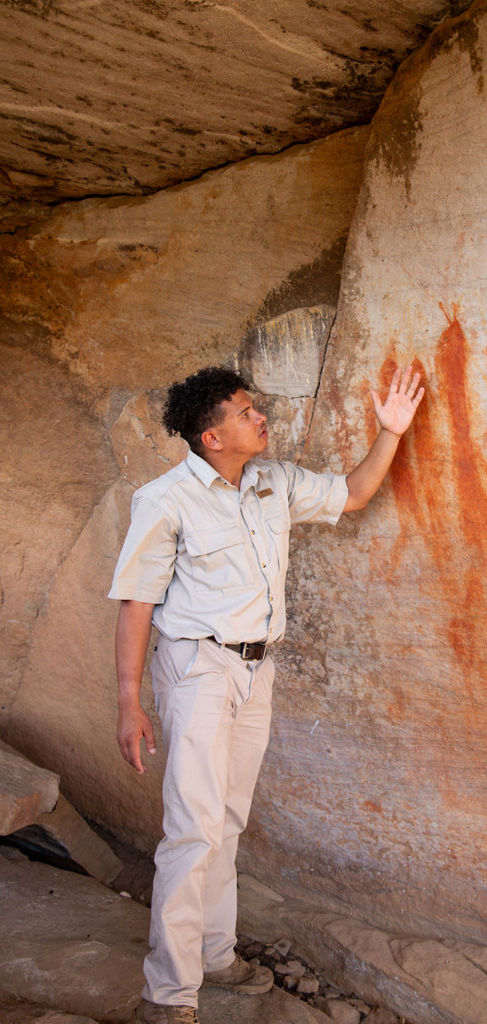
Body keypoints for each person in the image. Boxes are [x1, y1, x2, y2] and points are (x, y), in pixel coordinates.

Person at [108, 363, 423, 1024]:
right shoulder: (165, 500)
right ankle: (167, 996)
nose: (260, 418)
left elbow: (356, 493)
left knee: (226, 820)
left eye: (256, 408)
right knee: (192, 830)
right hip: (197, 668)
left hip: (256, 668)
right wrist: (129, 700)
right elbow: (137, 604)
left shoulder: (272, 483)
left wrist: (390, 432)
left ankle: (216, 958)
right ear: (211, 436)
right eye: (245, 412)